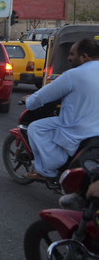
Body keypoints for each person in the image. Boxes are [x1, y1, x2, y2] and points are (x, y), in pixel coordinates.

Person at [22, 38, 99, 180]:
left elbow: (40, 98)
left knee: (36, 128)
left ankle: (47, 171)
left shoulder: (73, 75)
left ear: (84, 57)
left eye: (71, 54)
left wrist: (29, 100)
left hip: (78, 129)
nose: (69, 58)